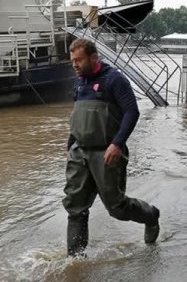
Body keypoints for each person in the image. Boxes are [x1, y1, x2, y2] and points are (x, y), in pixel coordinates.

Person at [63, 38, 160, 257]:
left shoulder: (114, 79)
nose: (75, 65)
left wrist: (117, 143)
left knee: (117, 208)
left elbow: (131, 112)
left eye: (79, 60)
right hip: (80, 152)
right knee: (75, 207)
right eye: (72, 61)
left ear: (94, 58)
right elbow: (77, 115)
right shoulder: (79, 83)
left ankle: (151, 216)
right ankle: (75, 261)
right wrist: (70, 146)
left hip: (107, 152)